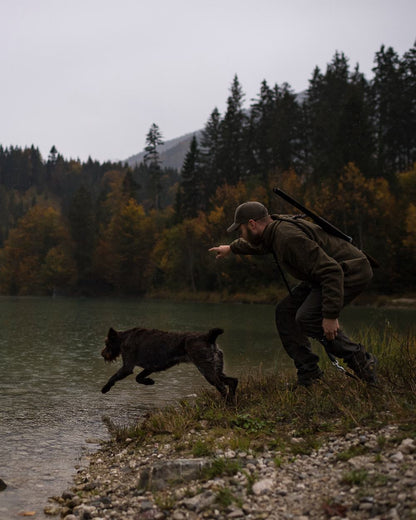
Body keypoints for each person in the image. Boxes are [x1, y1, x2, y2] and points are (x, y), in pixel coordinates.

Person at [209, 201, 378, 387]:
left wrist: (330, 315)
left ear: (252, 224)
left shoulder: (288, 238)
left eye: (240, 230)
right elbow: (258, 245)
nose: (241, 234)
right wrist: (231, 248)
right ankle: (310, 375)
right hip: (325, 275)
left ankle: (362, 362)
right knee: (286, 312)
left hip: (350, 272)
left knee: (308, 318)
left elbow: (331, 271)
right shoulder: (273, 229)